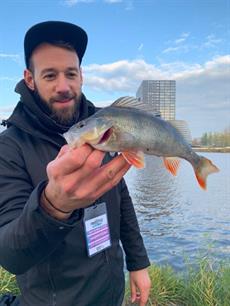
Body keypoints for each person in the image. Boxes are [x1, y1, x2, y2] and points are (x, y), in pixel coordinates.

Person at [0, 21, 151, 306]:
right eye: (49, 75)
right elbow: (10, 255)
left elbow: (120, 197)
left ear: (81, 76)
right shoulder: (9, 147)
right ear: (29, 79)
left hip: (111, 292)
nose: (63, 86)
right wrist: (53, 206)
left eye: (70, 73)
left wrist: (138, 263)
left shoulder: (104, 130)